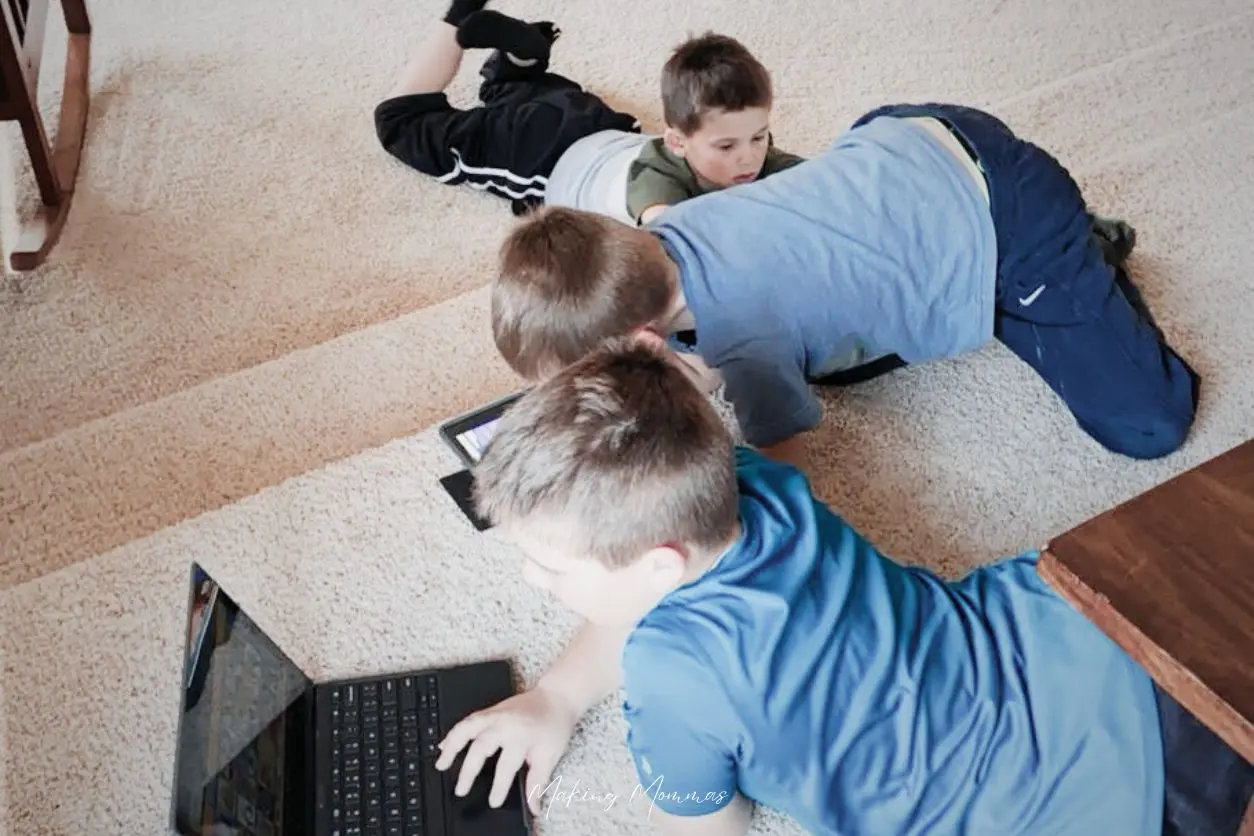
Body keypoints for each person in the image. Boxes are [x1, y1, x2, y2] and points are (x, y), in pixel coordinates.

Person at [433, 337, 1254, 836]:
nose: (531, 579)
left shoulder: (672, 679)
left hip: (1086, 811)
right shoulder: (748, 480)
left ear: (658, 566)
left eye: (550, 564)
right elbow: (647, 591)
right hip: (1099, 637)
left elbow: (707, 823)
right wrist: (557, 696)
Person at [486, 103, 1201, 472]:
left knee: (1147, 429)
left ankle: (1082, 258)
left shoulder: (748, 345)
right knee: (841, 364)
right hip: (903, 134)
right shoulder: (672, 223)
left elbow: (783, 461)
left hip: (1010, 213)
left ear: (645, 341)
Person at [375, 5, 802, 223]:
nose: (749, 158)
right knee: (397, 121)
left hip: (591, 121)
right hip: (537, 154)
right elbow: (674, 235)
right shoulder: (658, 187)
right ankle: (458, 17)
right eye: (726, 145)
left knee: (508, 93)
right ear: (676, 142)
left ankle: (521, 60)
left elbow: (823, 177)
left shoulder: (745, 155)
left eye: (760, 137)